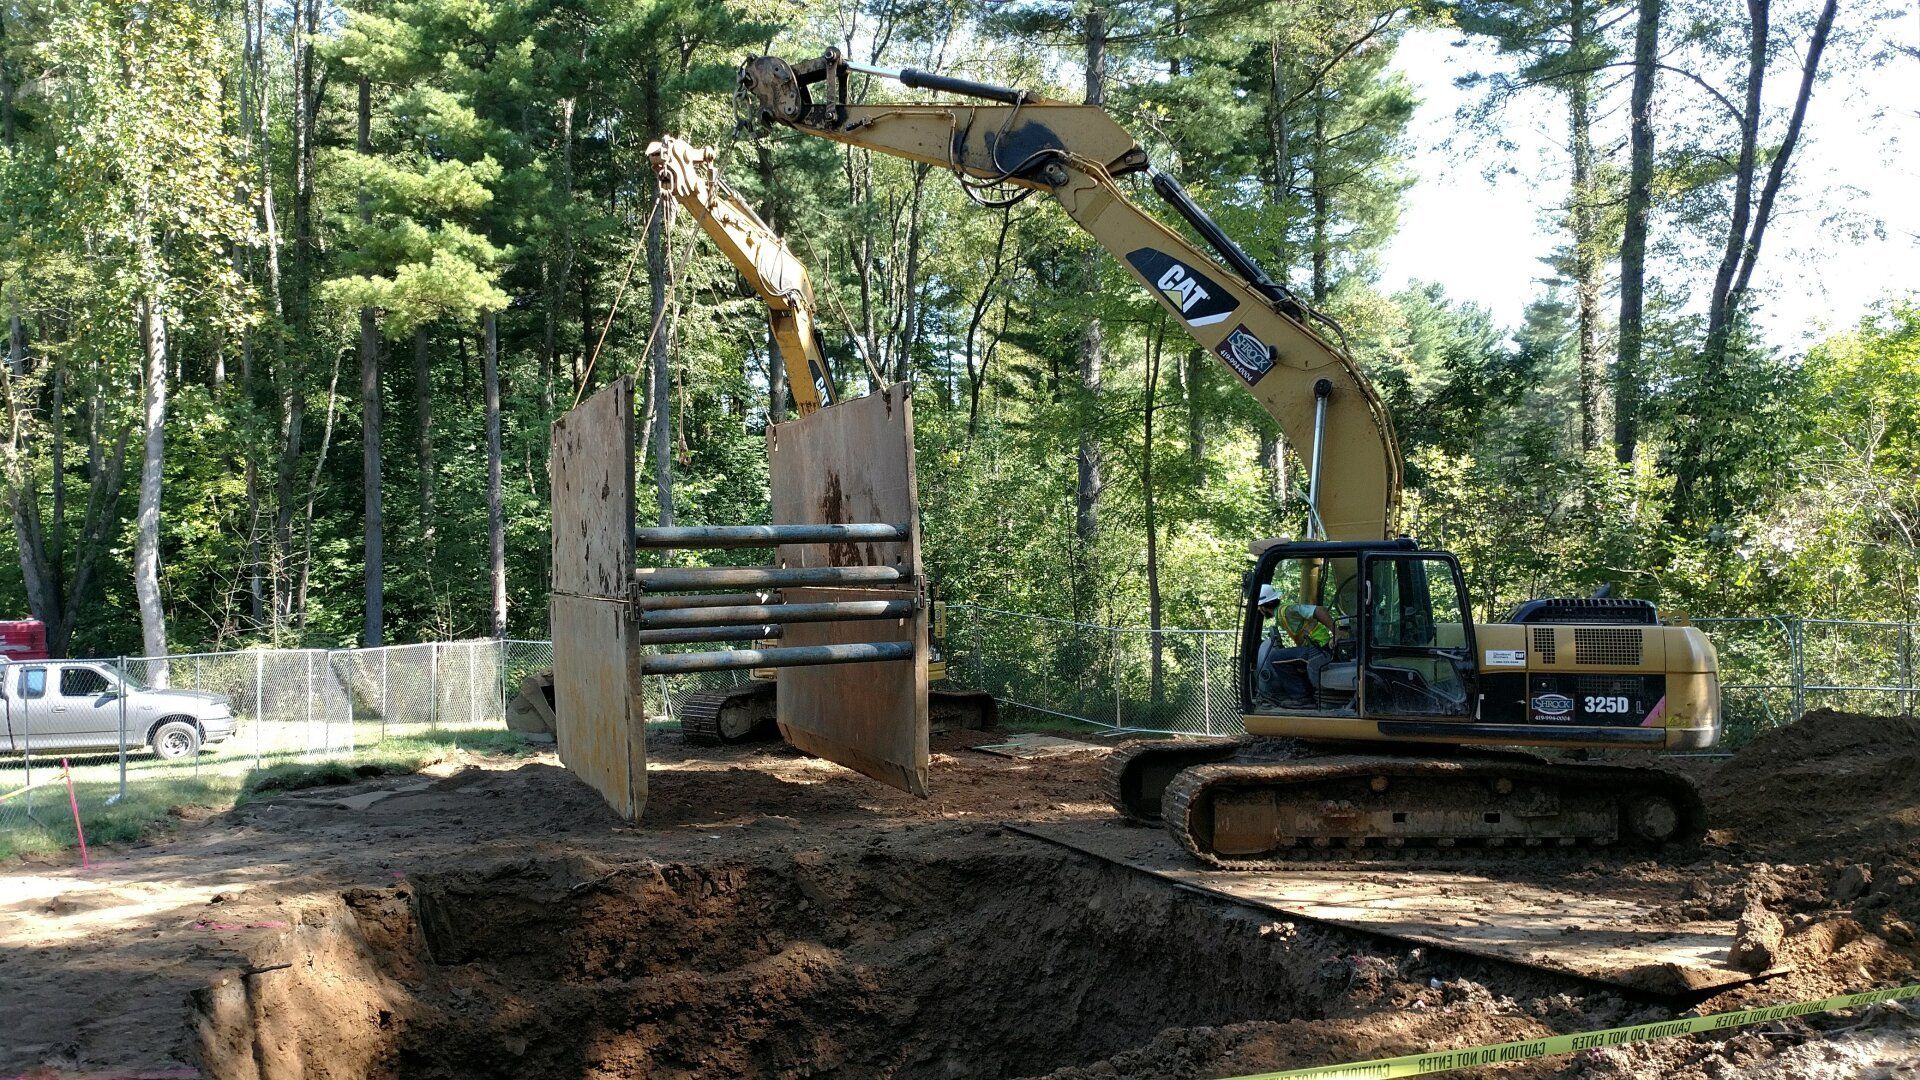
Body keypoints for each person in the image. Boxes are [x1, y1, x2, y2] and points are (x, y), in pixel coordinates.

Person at [1255, 583, 1338, 708]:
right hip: (1316, 647)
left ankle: (1301, 697)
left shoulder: (1287, 610)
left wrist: (1336, 633)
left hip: (1319, 649)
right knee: (1285, 657)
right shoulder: (1282, 615)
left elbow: (1319, 610)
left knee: (1275, 657)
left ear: (1263, 607)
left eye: (1259, 608)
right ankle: (1306, 692)